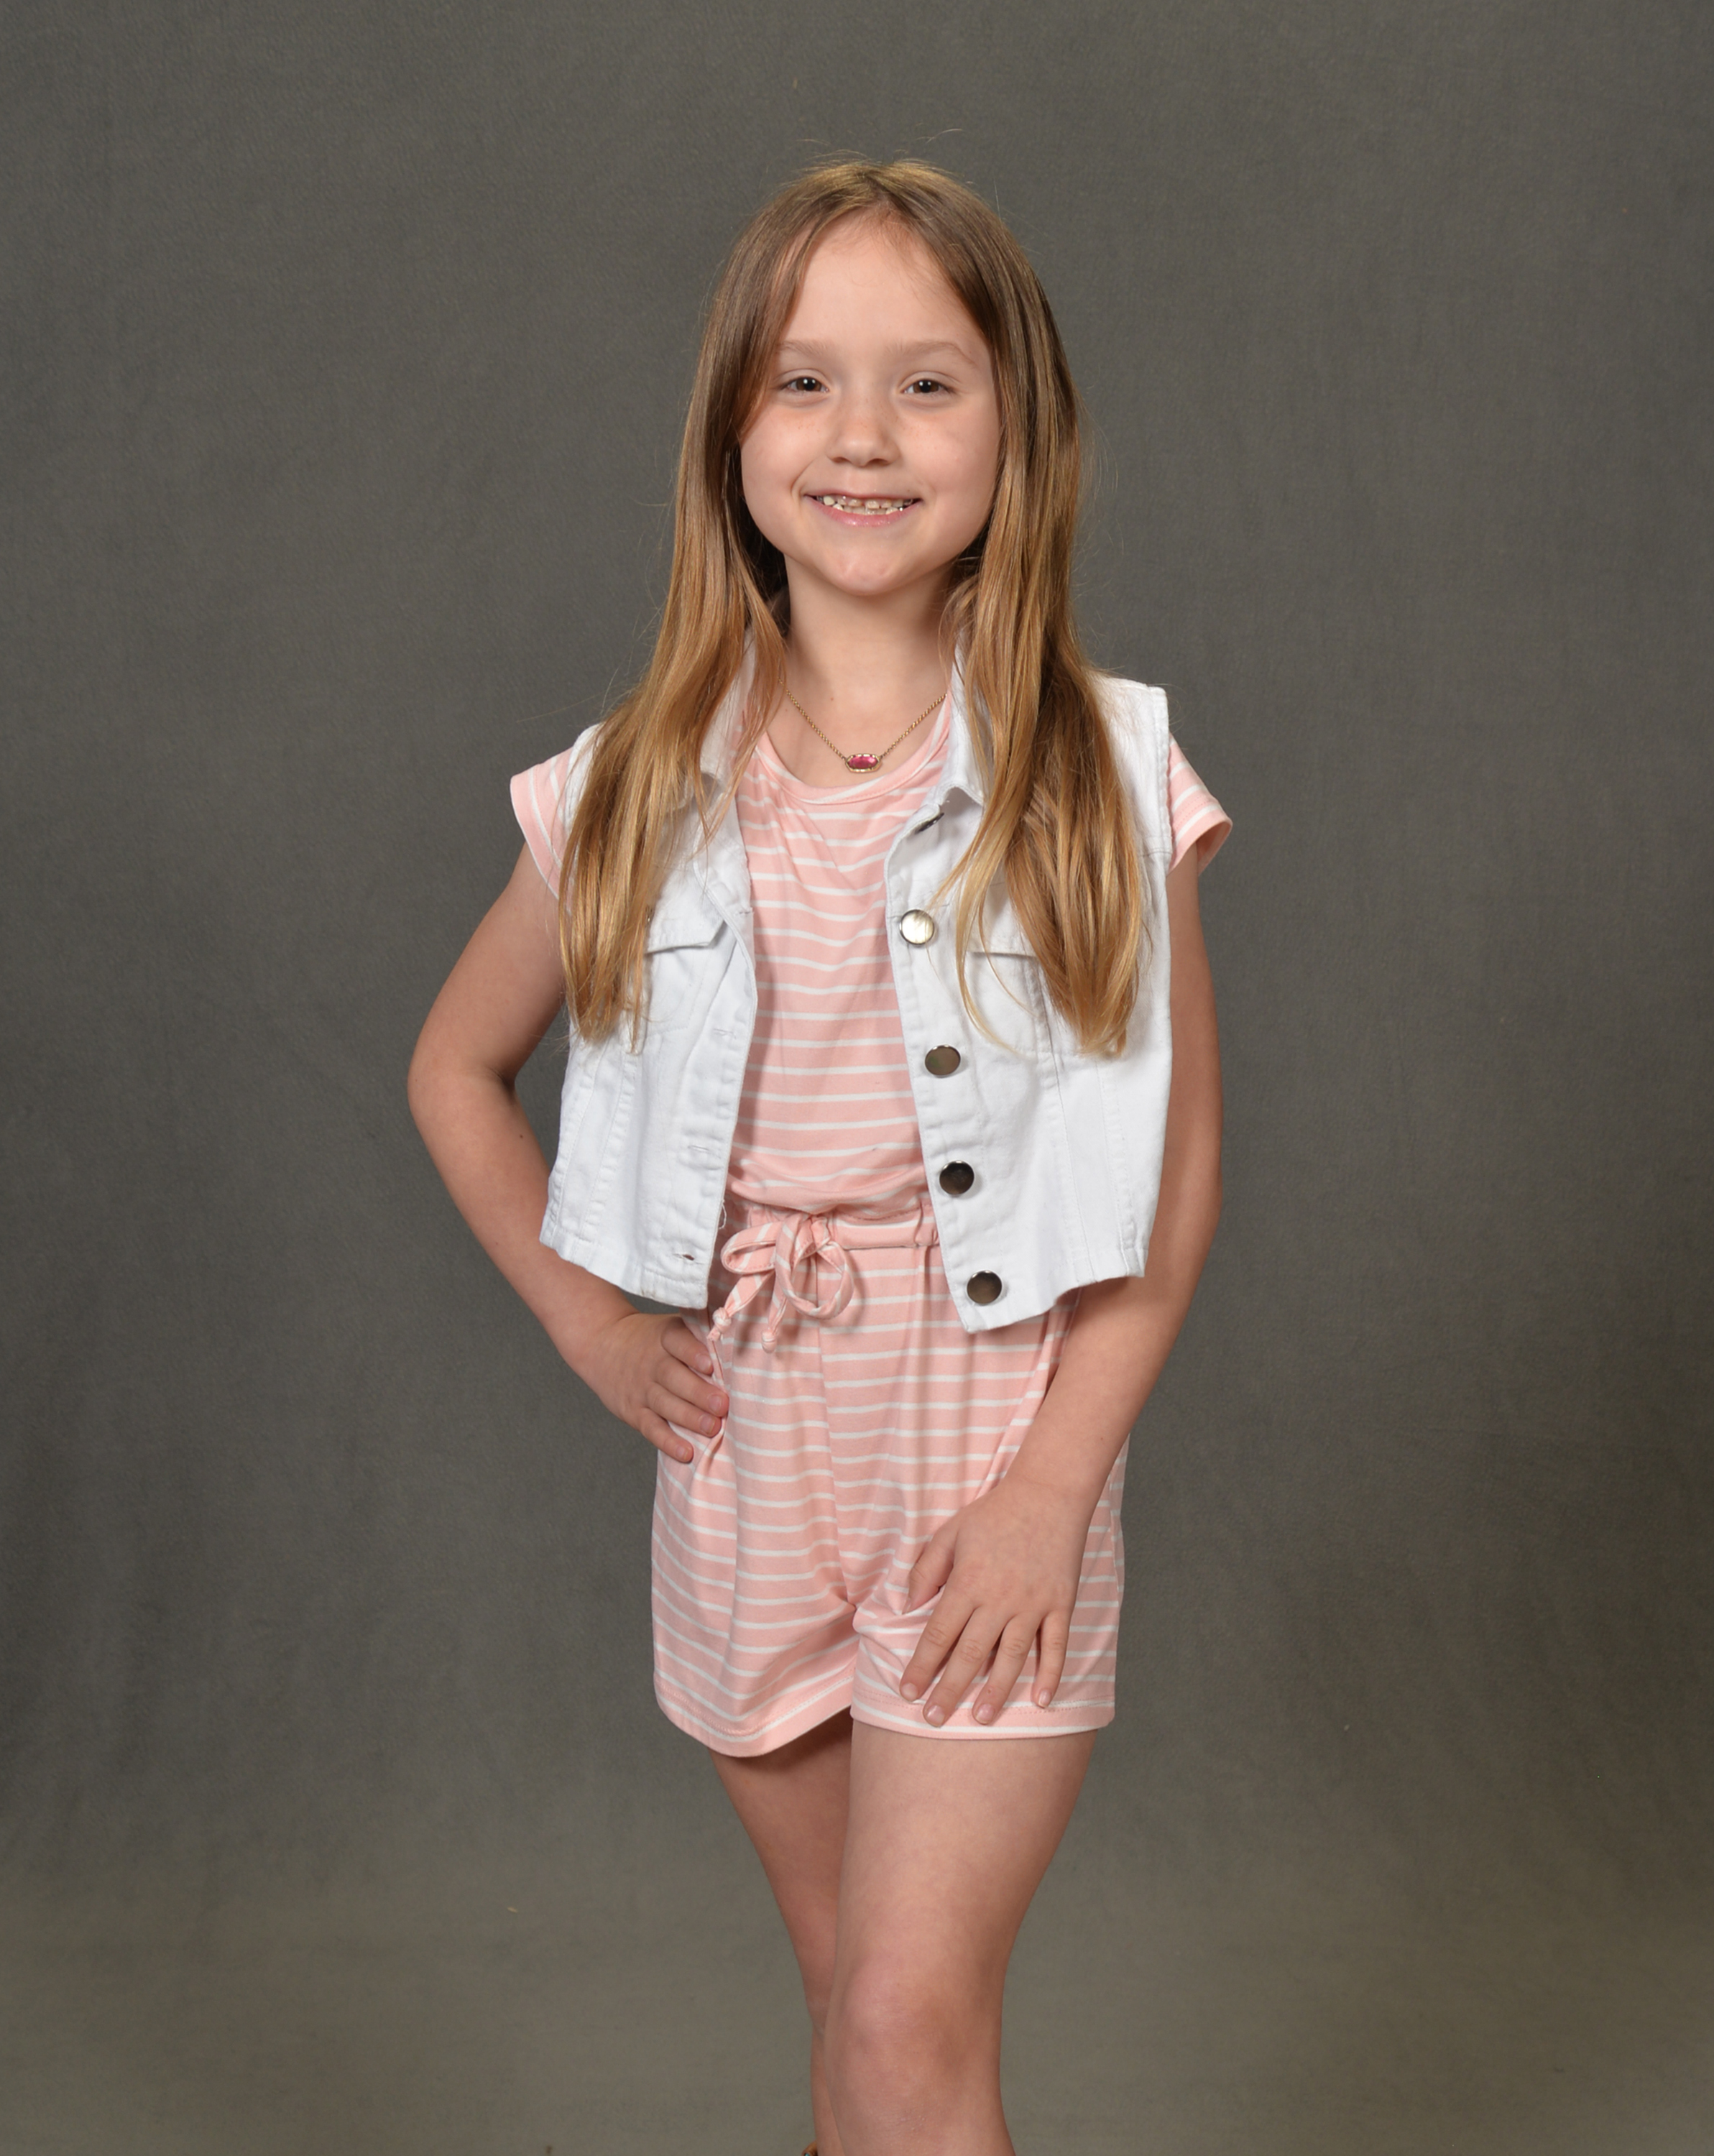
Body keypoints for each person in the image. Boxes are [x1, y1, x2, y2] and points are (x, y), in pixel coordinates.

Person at [409, 158, 1228, 2156]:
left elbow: (1177, 1176)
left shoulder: (1101, 772)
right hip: (750, 1450)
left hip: (986, 1442)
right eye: (805, 381)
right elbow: (454, 1068)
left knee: (900, 2026)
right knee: (852, 2018)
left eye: (928, 384)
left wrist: (1052, 1489)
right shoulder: (628, 786)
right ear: (732, 435)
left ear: (1017, 435)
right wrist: (598, 1330)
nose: (863, 435)